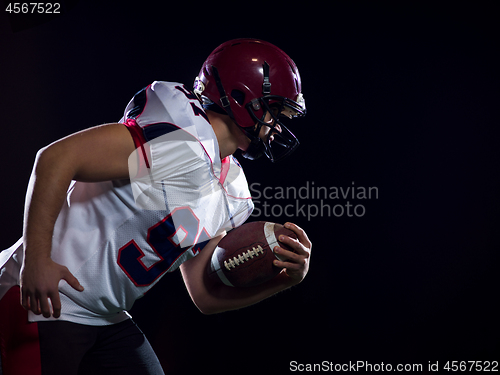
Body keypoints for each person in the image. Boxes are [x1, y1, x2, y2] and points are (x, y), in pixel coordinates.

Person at [0, 38, 312, 374]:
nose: (276, 126)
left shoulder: (232, 189)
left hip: (104, 317)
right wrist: (36, 260)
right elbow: (55, 159)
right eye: (273, 111)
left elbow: (204, 295)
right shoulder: (181, 143)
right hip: (46, 300)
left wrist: (283, 280)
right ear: (241, 98)